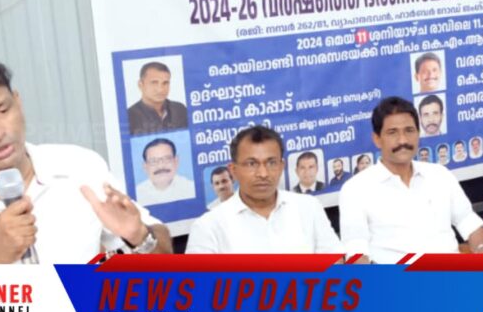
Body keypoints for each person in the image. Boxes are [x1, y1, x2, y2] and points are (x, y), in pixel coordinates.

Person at [0, 53, 172, 269]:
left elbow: (164, 258)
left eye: (2, 111)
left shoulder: (79, 166)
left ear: (18, 103)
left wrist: (139, 235)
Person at [339, 97, 483, 264]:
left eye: (409, 130)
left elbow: (470, 224)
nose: (403, 140)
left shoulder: (440, 175)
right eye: (392, 132)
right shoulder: (356, 189)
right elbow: (356, 250)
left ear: (418, 134)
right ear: (377, 139)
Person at [185, 126, 342, 253]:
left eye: (271, 163)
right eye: (251, 164)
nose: (263, 173)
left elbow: (335, 264)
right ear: (233, 170)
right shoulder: (208, 227)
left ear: (282, 166)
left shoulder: (309, 207)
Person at [127, 62, 188, 135]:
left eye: (165, 83)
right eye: (154, 83)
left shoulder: (180, 110)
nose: (160, 89)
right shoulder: (129, 117)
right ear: (141, 85)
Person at [135, 138, 195, 206]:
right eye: (153, 161)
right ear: (145, 167)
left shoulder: (191, 189)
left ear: (176, 161)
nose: (161, 166)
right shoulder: (137, 195)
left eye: (167, 159)